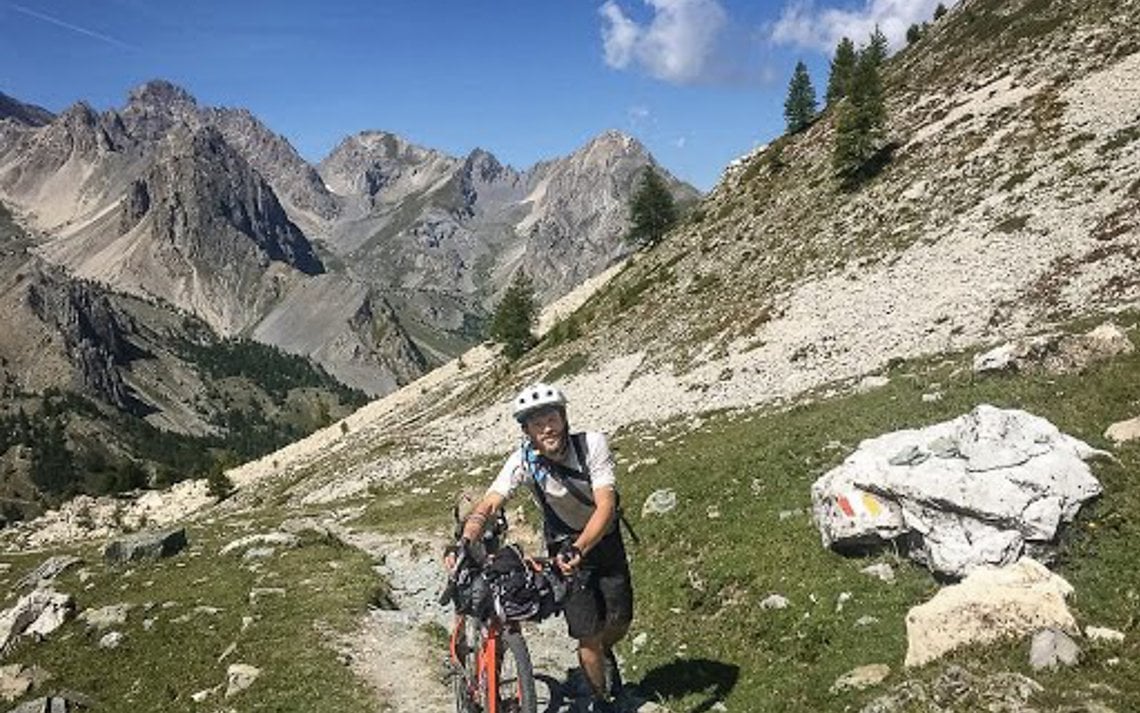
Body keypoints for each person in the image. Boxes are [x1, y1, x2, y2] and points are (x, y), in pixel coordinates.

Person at [455, 382, 632, 712]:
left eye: (552, 419)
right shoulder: (523, 460)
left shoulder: (591, 444)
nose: (547, 428)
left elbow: (605, 507)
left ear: (564, 418)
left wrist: (581, 548)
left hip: (602, 541)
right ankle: (600, 698)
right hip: (562, 545)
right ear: (527, 431)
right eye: (537, 424)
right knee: (587, 633)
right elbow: (492, 501)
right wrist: (471, 534)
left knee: (620, 621)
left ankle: (605, 652)